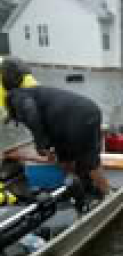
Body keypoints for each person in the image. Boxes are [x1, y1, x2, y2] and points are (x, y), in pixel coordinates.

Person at [0, 59, 111, 201]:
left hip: (80, 117)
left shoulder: (15, 96)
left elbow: (30, 111)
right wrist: (48, 145)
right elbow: (41, 116)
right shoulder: (31, 93)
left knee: (90, 161)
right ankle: (79, 187)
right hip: (72, 118)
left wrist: (41, 143)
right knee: (64, 158)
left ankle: (107, 195)